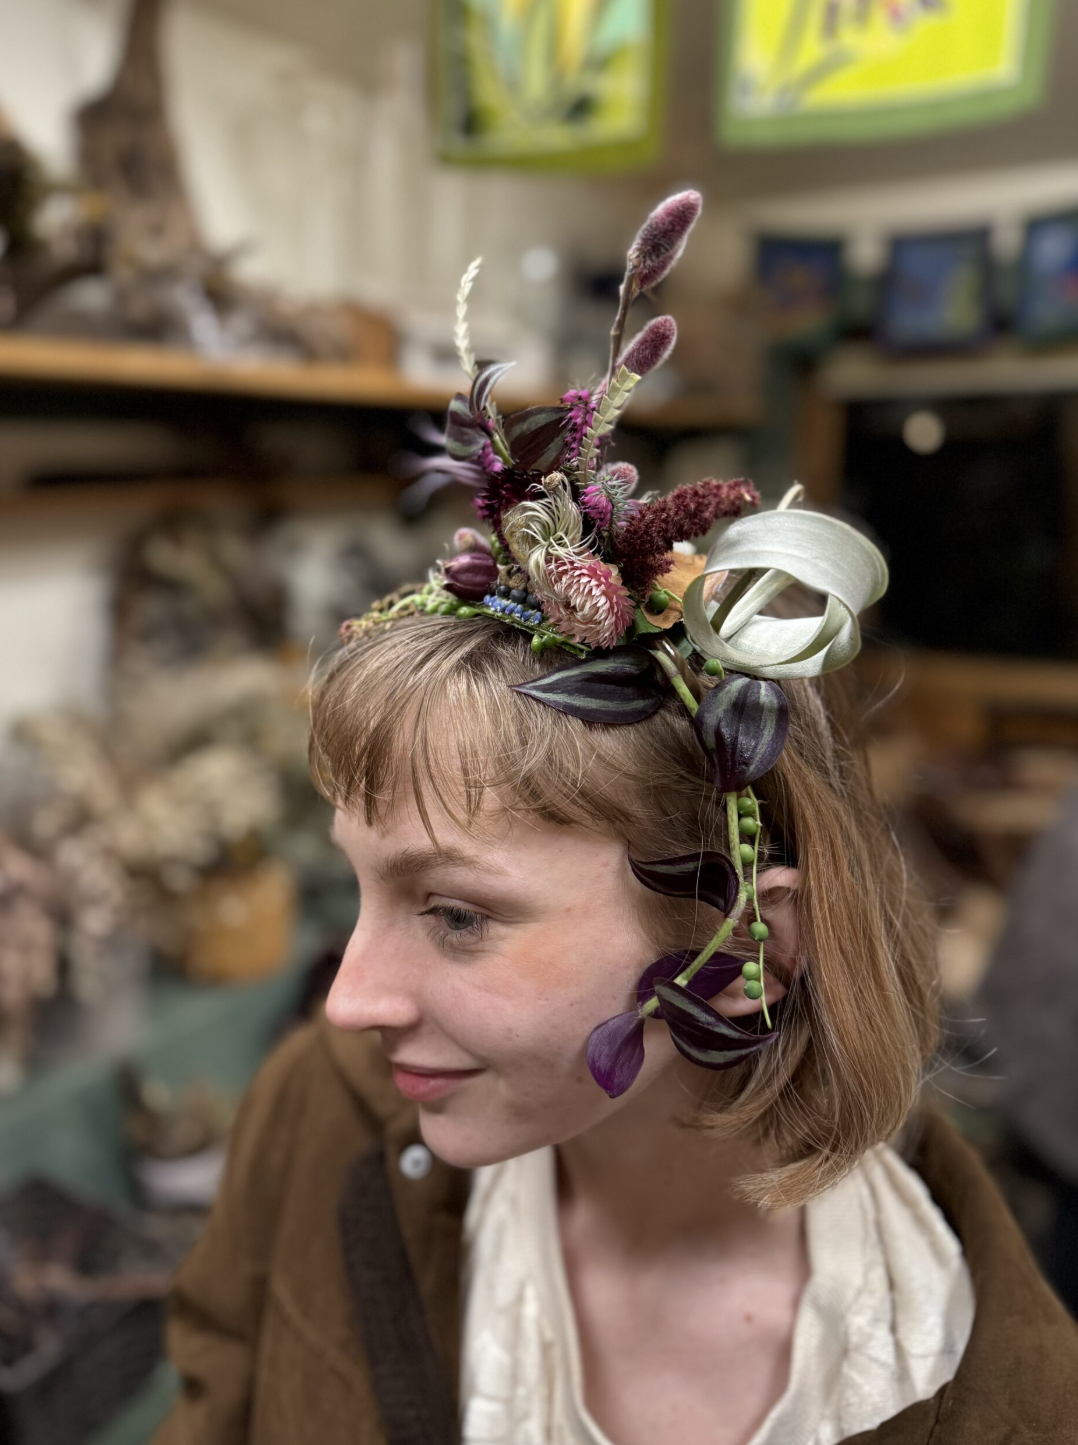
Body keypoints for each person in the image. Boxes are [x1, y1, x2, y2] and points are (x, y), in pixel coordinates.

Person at [151, 194, 1078, 1445]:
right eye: (362, 885)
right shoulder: (317, 1116)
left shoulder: (988, 1384)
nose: (347, 1000)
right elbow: (221, 1383)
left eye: (457, 912)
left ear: (749, 947)